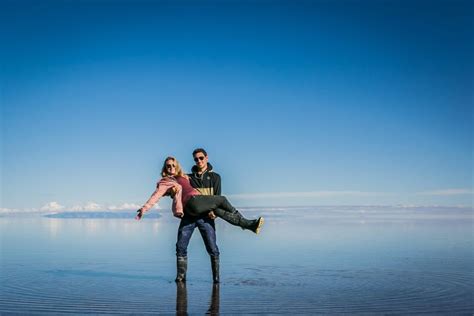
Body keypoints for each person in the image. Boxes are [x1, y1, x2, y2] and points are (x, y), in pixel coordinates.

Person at [135, 156, 264, 281]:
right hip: (191, 206)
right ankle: (180, 279)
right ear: (165, 168)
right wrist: (144, 208)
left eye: (173, 165)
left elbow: (199, 177)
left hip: (201, 210)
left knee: (215, 222)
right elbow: (156, 195)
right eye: (168, 166)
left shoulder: (185, 177)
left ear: (177, 166)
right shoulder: (165, 182)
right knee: (222, 200)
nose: (171, 167)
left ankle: (217, 279)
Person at [175, 148, 221, 283]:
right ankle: (180, 279)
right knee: (180, 247)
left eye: (201, 158)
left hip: (206, 217)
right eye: (196, 159)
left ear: (207, 158)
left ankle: (216, 280)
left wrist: (215, 213)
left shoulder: (215, 177)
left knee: (212, 248)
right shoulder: (188, 178)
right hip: (189, 216)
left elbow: (217, 198)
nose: (199, 161)